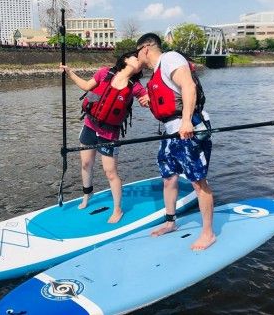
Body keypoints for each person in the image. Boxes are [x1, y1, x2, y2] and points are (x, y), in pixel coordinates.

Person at [135, 33, 215, 250]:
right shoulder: (156, 73)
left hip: (188, 128)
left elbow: (188, 87)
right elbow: (169, 96)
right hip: (171, 133)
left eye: (137, 53)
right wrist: (151, 100)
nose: (137, 58)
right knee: (169, 178)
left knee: (198, 182)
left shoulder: (170, 58)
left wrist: (187, 121)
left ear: (146, 49)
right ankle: (170, 222)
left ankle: (208, 233)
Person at [60, 54, 149, 223]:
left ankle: (117, 209)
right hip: (90, 125)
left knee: (110, 172)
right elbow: (86, 85)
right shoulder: (104, 73)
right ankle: (87, 194)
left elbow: (147, 98)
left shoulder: (135, 87)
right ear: (125, 60)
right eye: (135, 57)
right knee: (86, 164)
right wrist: (70, 72)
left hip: (109, 133)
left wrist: (149, 100)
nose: (139, 61)